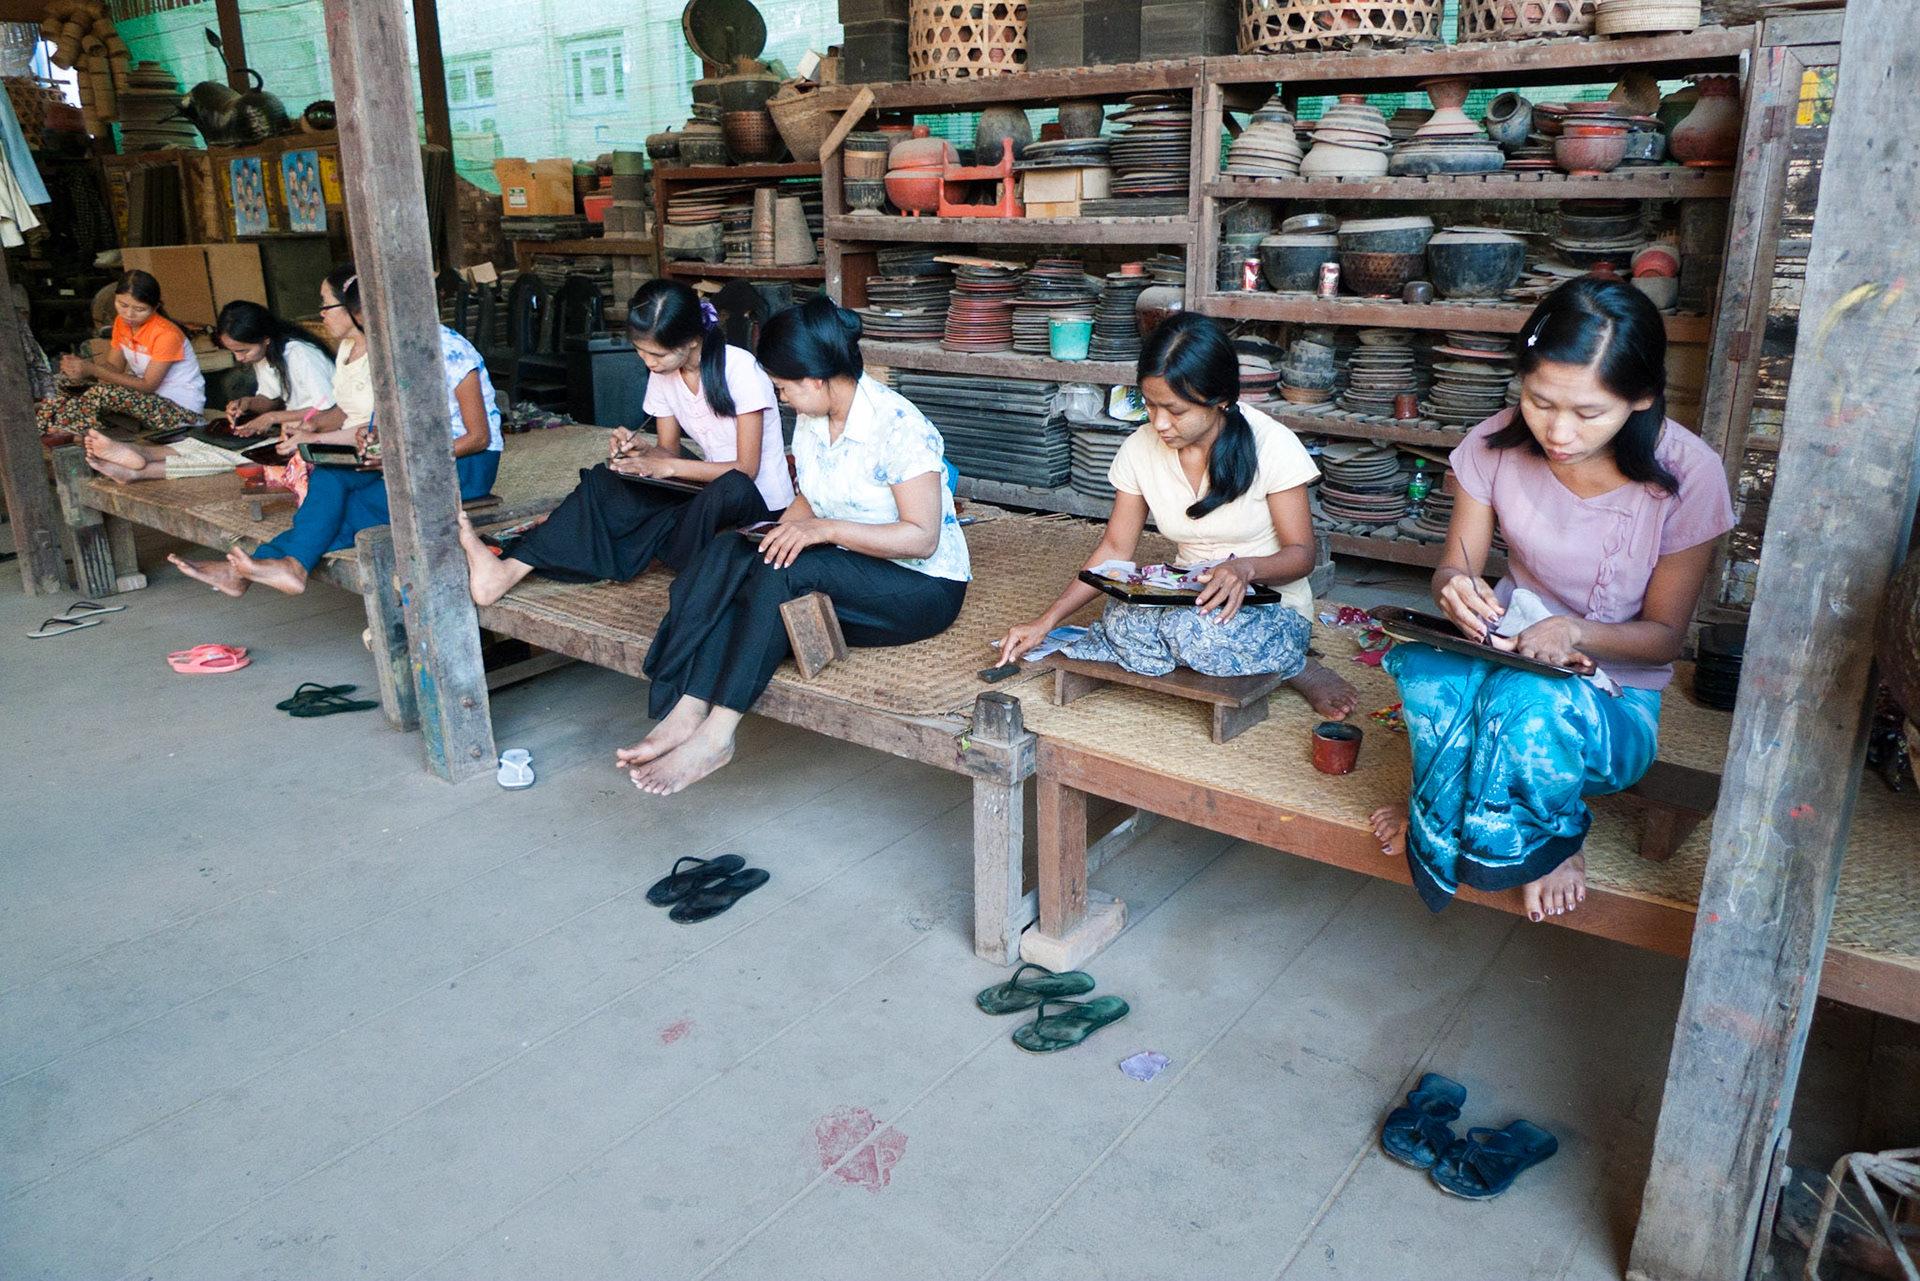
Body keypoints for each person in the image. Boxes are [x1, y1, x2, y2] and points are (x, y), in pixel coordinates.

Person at [1368, 277, 1736, 923]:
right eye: (1539, 401)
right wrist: (1454, 587)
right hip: (1510, 650)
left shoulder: (1690, 473)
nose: (1557, 431)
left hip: (1611, 699)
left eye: (1588, 412)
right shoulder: (1493, 444)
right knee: (1428, 671)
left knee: (1527, 704)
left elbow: (1663, 638)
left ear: (1641, 397)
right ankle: (1441, 807)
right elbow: (1455, 565)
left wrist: (1575, 632)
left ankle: (1550, 839)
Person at [622, 298, 970, 796]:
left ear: (815, 379)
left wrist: (822, 531)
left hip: (921, 586)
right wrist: (775, 536)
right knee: (736, 557)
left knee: (781, 574)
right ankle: (689, 706)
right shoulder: (814, 416)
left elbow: (922, 536)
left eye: (783, 387)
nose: (780, 397)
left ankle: (718, 734)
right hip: (849, 566)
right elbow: (811, 494)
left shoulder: (899, 428)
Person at [995, 311, 1357, 720]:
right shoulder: (1139, 447)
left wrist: (1244, 571)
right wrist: (1046, 622)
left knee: (1193, 634)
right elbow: (1115, 549)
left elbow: (1302, 555)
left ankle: (1298, 663)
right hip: (1186, 598)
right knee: (1120, 616)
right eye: (1149, 405)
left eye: (1177, 410)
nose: (1160, 423)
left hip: (1271, 605)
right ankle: (1221, 653)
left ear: (1220, 398)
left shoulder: (1272, 444)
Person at [168, 263, 503, 597]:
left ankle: (260, 569)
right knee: (329, 475)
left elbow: (478, 438)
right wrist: (372, 439)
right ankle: (286, 569)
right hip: (414, 460)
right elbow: (393, 418)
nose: (372, 333)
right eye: (366, 325)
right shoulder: (391, 350)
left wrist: (402, 458)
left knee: (356, 507)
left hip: (467, 465)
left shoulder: (450, 351)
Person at [456, 279, 793, 606]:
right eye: (641, 352)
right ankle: (508, 571)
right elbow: (668, 450)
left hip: (757, 501)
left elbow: (746, 470)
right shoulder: (664, 373)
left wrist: (666, 465)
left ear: (691, 340)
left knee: (727, 488)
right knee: (604, 481)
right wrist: (643, 453)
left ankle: (649, 549)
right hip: (705, 488)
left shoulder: (741, 370)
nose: (649, 362)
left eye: (657, 354)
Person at [81, 299, 335, 483]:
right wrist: (246, 403)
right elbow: (268, 401)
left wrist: (272, 418)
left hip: (323, 435)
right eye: (234, 351)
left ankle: (140, 469)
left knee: (240, 457)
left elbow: (328, 409)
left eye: (243, 351)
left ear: (265, 338)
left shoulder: (301, 354)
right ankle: (140, 456)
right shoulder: (266, 353)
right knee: (211, 441)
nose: (239, 358)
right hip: (292, 432)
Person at [36, 269, 206, 440]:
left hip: (179, 410)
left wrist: (93, 370)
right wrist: (78, 370)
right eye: (122, 305)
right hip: (147, 401)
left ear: (155, 307)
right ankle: (39, 428)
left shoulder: (167, 334)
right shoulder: (122, 323)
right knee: (62, 381)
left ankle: (67, 430)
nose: (129, 314)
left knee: (104, 393)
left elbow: (148, 385)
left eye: (140, 309)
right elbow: (114, 367)